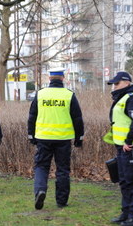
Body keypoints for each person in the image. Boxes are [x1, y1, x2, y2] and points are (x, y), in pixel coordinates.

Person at [27, 67, 84, 210]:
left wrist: (31, 135)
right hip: (63, 139)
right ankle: (61, 201)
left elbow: (32, 117)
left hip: (43, 137)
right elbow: (77, 118)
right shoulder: (69, 95)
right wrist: (79, 138)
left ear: (49, 78)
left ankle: (40, 190)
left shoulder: (40, 94)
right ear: (63, 78)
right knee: (63, 169)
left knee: (41, 166)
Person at [107, 71, 133, 226]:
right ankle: (126, 213)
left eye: (117, 83)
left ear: (127, 82)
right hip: (122, 148)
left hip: (130, 147)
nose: (114, 86)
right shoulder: (121, 98)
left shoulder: (131, 98)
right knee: (123, 181)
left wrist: (128, 141)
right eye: (113, 84)